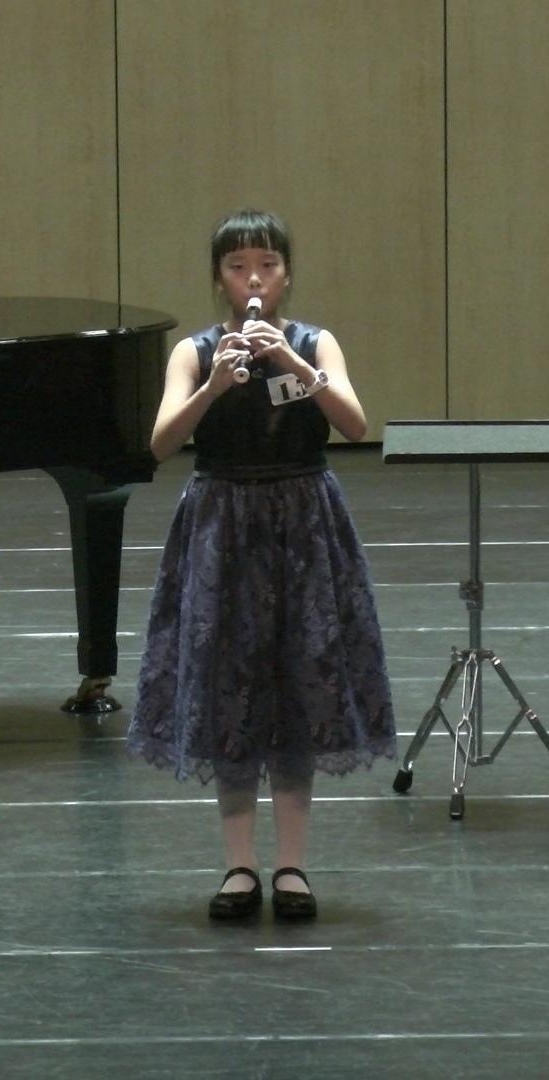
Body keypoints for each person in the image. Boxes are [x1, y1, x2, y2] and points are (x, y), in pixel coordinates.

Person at [127, 209, 396, 921]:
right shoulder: (194, 351)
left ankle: (293, 866)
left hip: (303, 521)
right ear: (219, 277)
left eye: (267, 266)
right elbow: (159, 444)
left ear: (287, 274)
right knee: (231, 684)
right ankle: (239, 866)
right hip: (223, 522)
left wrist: (295, 365)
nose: (254, 279)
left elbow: (354, 424)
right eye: (239, 266)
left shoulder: (314, 342)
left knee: (300, 681)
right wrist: (214, 386)